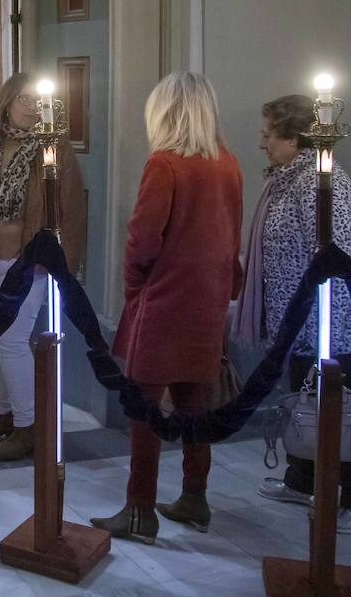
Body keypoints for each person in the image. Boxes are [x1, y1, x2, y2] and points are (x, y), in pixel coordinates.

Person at [89, 72, 243, 544]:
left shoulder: (165, 164)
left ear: (165, 112)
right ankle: (195, 498)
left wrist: (135, 290)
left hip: (165, 304)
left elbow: (142, 240)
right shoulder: (227, 164)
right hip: (207, 303)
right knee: (194, 403)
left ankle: (139, 510)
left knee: (144, 410)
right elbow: (230, 236)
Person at [252, 94, 351, 533]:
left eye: (268, 134)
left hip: (334, 323)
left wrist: (327, 331)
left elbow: (337, 258)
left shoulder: (322, 182)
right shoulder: (291, 179)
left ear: (294, 138)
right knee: (304, 401)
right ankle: (303, 479)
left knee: (343, 409)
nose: (261, 143)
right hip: (301, 320)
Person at [0, 73, 85, 460]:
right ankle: (4, 416)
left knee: (10, 340)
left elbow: (71, 208)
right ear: (7, 101)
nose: (31, 108)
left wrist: (62, 261)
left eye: (36, 101)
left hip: (26, 261)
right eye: (23, 100)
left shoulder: (53, 146)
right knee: (1, 338)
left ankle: (30, 427)